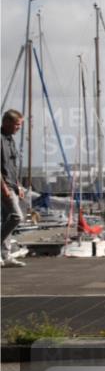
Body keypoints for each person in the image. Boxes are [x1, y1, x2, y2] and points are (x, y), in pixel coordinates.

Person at [1, 110, 26, 268]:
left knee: (7, 219)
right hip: (4, 186)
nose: (19, 128)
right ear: (7, 122)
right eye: (17, 124)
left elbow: (12, 166)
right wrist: (3, 187)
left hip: (12, 185)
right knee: (17, 217)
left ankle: (5, 255)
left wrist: (19, 185)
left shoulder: (11, 140)